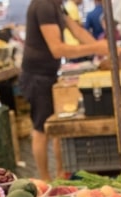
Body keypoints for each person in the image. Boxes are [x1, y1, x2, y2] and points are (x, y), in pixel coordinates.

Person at [19, 0, 111, 181]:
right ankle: (45, 182)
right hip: (37, 76)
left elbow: (78, 31)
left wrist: (106, 52)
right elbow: (57, 49)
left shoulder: (56, 6)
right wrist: (96, 47)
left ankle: (61, 175)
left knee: (57, 127)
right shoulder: (43, 5)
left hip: (49, 75)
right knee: (42, 128)